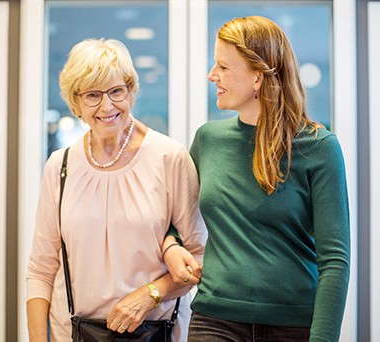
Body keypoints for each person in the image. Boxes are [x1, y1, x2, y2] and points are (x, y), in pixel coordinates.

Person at [162, 16, 350, 342]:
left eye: (223, 67)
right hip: (214, 319)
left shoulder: (319, 147)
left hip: (293, 324)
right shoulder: (208, 140)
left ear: (257, 78)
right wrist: (170, 247)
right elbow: (173, 220)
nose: (212, 75)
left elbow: (334, 260)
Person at [26, 38, 207, 341]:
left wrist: (149, 295)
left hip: (156, 331)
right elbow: (41, 268)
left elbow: (198, 259)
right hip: (70, 333)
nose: (107, 106)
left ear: (131, 91)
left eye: (116, 91)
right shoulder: (60, 165)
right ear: (76, 102)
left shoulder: (168, 157)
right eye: (93, 95)